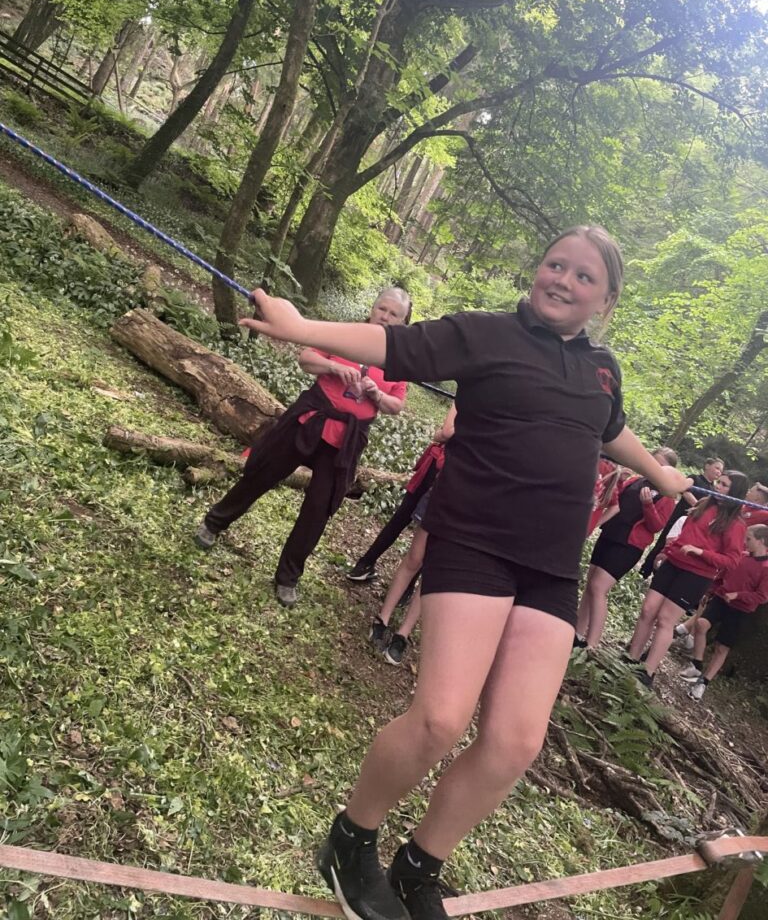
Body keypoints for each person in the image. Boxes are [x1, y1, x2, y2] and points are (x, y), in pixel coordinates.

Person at [239, 224, 690, 920]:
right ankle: (350, 840)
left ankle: (419, 866)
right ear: (537, 270)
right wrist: (302, 328)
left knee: (515, 743)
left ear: (606, 301)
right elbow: (392, 346)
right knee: (441, 720)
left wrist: (660, 473)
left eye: (584, 276)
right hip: (475, 541)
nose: (563, 280)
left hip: (550, 567)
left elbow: (609, 429)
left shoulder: (603, 369)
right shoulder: (485, 334)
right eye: (556, 264)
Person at [194, 288, 411, 607]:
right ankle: (214, 523)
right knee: (263, 473)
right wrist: (333, 367)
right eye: (382, 309)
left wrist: (377, 394)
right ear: (372, 308)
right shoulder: (345, 334)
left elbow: (397, 405)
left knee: (318, 509)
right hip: (311, 419)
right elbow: (306, 359)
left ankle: (288, 577)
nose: (385, 317)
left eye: (394, 314)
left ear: (403, 322)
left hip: (346, 440)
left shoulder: (399, 361)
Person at [626, 470, 748, 687]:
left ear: (735, 492)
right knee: (648, 610)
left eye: (724, 485)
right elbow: (685, 534)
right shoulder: (703, 504)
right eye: (719, 482)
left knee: (665, 620)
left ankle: (647, 671)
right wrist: (667, 552)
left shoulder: (735, 524)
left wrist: (701, 553)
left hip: (696, 575)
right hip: (673, 564)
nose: (718, 487)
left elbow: (732, 561)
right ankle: (631, 659)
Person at [575, 447, 679, 648]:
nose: (654, 467)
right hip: (610, 534)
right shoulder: (636, 480)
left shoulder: (667, 496)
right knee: (590, 584)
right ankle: (577, 633)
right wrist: (621, 480)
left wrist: (648, 505)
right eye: (652, 461)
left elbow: (656, 526)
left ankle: (592, 643)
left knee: (598, 587)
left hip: (630, 545)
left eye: (660, 465)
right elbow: (616, 500)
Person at [348, 405, 456, 583]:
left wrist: (444, 433)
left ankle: (365, 564)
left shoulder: (467, 398)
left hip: (444, 469)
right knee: (427, 531)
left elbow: (444, 433)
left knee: (405, 520)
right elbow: (444, 434)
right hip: (448, 470)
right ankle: (402, 586)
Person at [681, 524, 768, 700]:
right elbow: (721, 576)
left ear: (761, 541)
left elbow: (762, 596)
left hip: (741, 610)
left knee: (722, 647)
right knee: (701, 624)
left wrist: (738, 595)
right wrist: (710, 591)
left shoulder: (766, 567)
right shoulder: (741, 556)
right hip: (721, 599)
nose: (745, 542)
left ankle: (703, 683)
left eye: (749, 539)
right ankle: (697, 664)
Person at [369, 488, 434, 666]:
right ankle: (383, 617)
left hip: (469, 515)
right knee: (414, 558)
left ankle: (403, 633)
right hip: (444, 497)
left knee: (432, 571)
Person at [639, 457, 724, 579]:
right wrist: (698, 507)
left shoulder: (713, 490)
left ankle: (661, 575)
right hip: (678, 517)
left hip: (693, 524)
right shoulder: (694, 478)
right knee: (663, 543)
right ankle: (645, 570)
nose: (718, 472)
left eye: (721, 471)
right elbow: (685, 491)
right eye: (717, 468)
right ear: (707, 466)